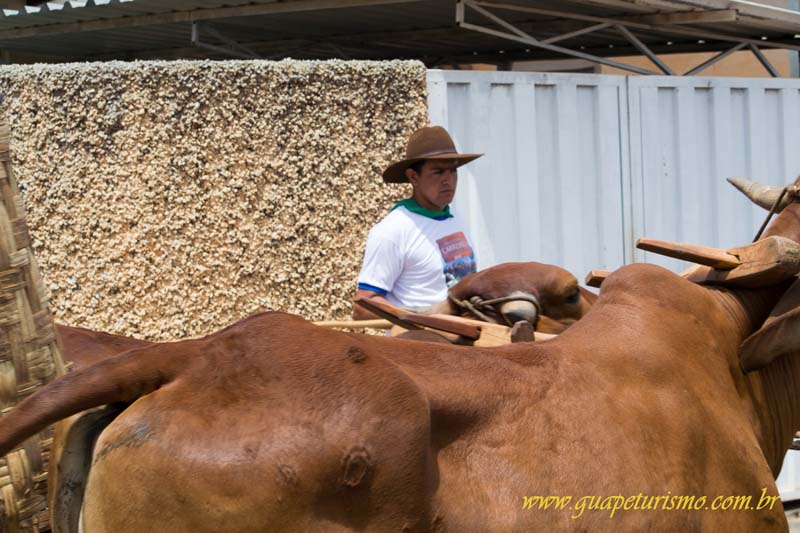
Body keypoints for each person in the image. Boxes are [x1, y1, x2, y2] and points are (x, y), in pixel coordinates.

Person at [352, 125, 482, 320]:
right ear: (413, 177)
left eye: (453, 171)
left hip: (463, 344)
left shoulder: (454, 218)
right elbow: (363, 306)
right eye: (438, 172)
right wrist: (421, 319)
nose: (448, 180)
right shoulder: (393, 230)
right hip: (417, 346)